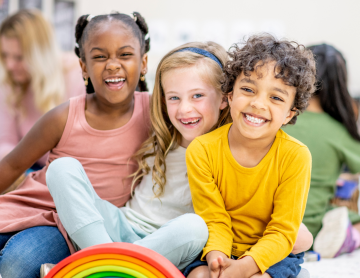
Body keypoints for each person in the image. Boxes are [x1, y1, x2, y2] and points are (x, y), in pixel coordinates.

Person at [46, 41, 231, 272]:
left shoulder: (228, 152)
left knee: (195, 227)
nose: (184, 109)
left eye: (197, 96)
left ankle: (103, 268)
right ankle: (109, 264)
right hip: (116, 229)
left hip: (167, 244)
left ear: (225, 98)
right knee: (62, 168)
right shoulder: (162, 137)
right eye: (174, 98)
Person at [0, 12, 150, 278]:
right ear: (84, 67)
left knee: (16, 264)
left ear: (144, 62)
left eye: (125, 55)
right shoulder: (63, 116)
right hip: (28, 206)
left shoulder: (154, 112)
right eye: (100, 56)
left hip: (69, 225)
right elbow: (12, 164)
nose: (113, 65)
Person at [185, 34, 316, 278]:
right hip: (222, 246)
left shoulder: (296, 156)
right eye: (248, 89)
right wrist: (218, 259)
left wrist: (246, 267)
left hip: (274, 252)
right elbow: (214, 219)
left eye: (276, 98)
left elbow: (282, 231)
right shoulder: (202, 150)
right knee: (200, 276)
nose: (258, 103)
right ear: (230, 96)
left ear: (289, 114)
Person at [283, 44, 360, 258]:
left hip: (273, 224)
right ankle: (348, 236)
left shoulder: (280, 119)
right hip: (310, 229)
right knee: (348, 191)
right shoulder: (338, 130)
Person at [0, 9, 85, 168]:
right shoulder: (10, 81)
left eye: (19, 57)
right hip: (29, 171)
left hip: (69, 173)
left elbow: (83, 149)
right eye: (5, 55)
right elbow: (5, 142)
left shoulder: (77, 77)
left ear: (41, 56)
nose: (10, 65)